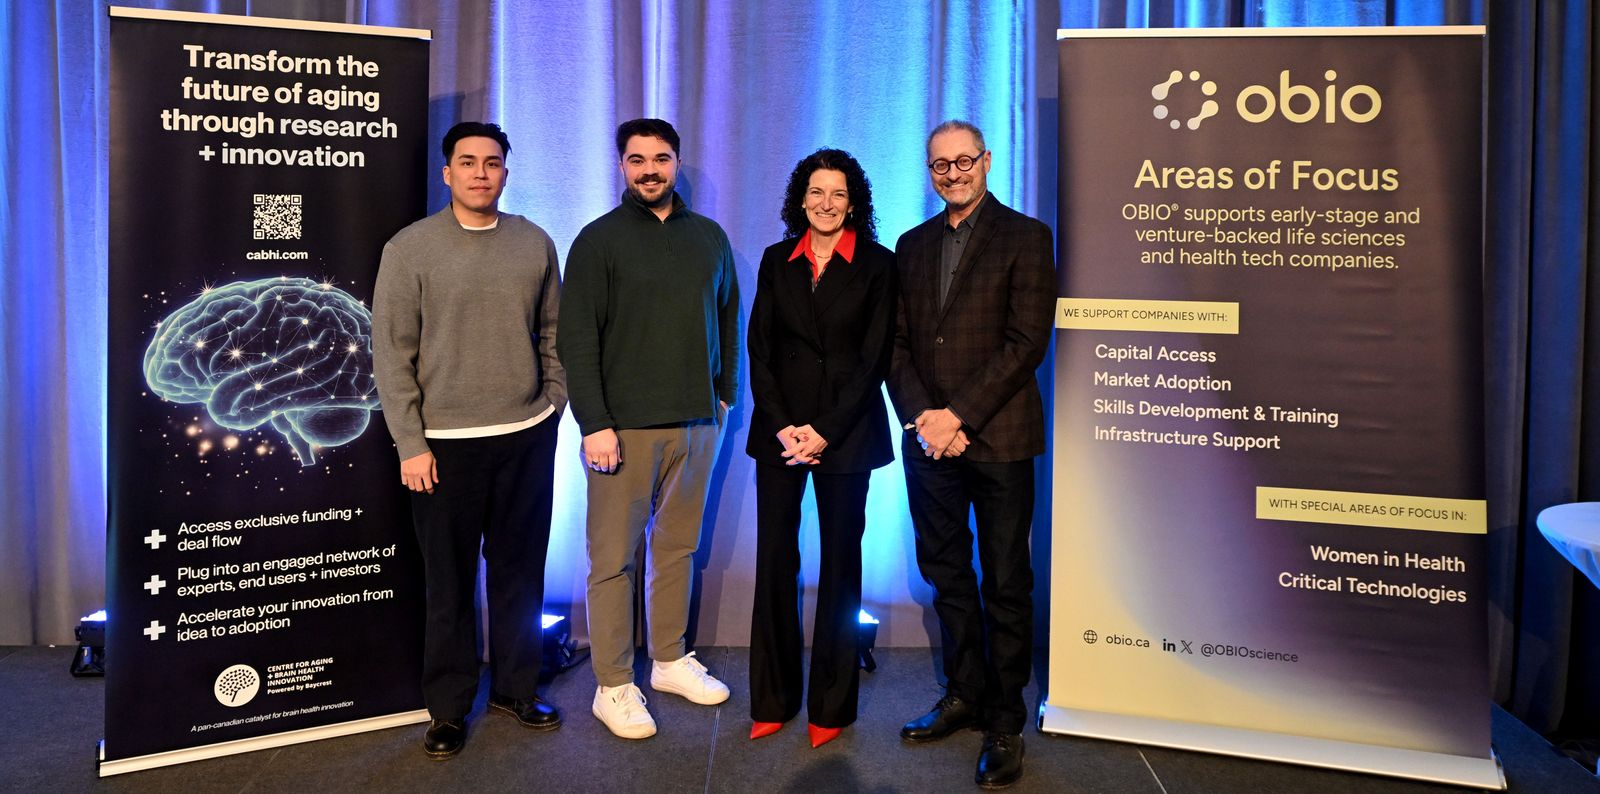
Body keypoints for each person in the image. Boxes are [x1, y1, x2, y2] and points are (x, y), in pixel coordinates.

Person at [372, 121, 566, 759]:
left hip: (524, 436)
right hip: (442, 446)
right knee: (449, 583)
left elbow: (554, 333)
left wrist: (552, 405)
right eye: (468, 162)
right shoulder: (410, 248)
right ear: (447, 172)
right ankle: (449, 709)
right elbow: (391, 354)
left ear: (506, 171)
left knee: (520, 574)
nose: (481, 173)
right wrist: (410, 443)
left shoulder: (534, 242)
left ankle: (515, 688)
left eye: (492, 162)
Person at [557, 118, 740, 740]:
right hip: (622, 431)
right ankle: (612, 684)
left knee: (677, 548)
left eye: (660, 158)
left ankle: (668, 660)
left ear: (676, 163)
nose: (650, 170)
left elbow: (728, 319)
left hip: (698, 424)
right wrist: (594, 423)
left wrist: (724, 397)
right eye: (637, 159)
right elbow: (576, 339)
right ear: (622, 167)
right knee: (613, 560)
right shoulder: (598, 240)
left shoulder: (709, 238)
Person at [887, 120, 1054, 788]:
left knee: (1006, 582)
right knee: (947, 572)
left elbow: (1026, 342)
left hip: (999, 437)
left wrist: (957, 415)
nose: (952, 173)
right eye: (940, 164)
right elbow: (897, 344)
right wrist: (924, 420)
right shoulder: (911, 244)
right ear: (928, 170)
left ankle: (1005, 720)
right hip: (930, 441)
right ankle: (964, 693)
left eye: (963, 161)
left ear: (986, 161)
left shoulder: (1027, 237)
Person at [745, 149, 895, 749]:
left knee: (840, 566)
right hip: (781, 435)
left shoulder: (879, 265)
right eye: (815, 192)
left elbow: (874, 359)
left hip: (847, 433)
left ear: (852, 203)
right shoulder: (775, 259)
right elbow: (759, 350)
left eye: (837, 193)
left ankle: (831, 706)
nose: (825, 203)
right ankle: (772, 698)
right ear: (800, 200)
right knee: (774, 562)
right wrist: (785, 426)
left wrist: (824, 430)